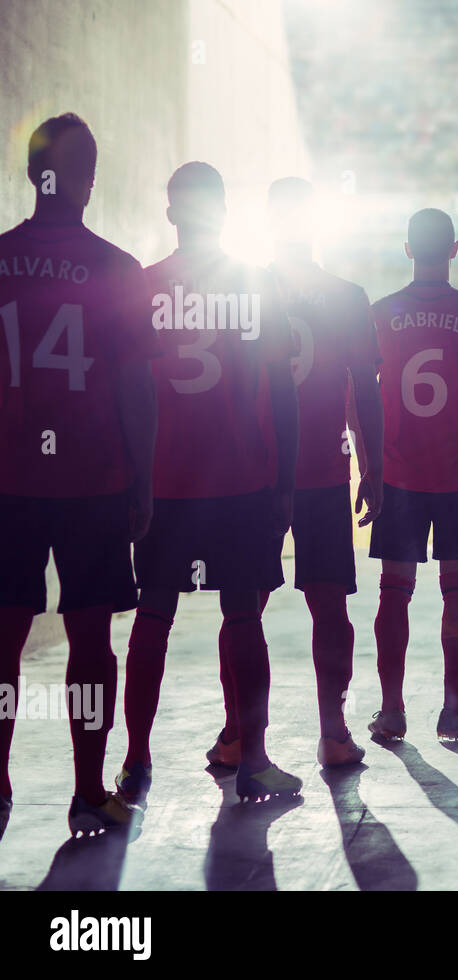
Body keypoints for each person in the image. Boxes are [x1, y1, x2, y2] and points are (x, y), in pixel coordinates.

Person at [120, 161, 302, 804]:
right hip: (241, 479)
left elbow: (128, 392)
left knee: (153, 617)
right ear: (224, 211)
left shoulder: (144, 286)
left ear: (171, 213)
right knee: (243, 617)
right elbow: (280, 388)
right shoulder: (255, 284)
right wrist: (284, 478)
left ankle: (136, 762)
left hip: (166, 481)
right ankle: (252, 759)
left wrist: (132, 479)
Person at [0, 113, 158, 836]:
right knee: (92, 641)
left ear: (36, 174)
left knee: (2, 638)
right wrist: (143, 478)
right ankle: (89, 791)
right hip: (93, 480)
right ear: (87, 181)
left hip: (8, 484)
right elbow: (135, 386)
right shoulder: (117, 270)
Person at [204, 177, 384, 769]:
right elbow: (367, 390)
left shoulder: (241, 289)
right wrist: (374, 463)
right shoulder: (347, 295)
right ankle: (333, 733)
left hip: (254, 473)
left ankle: (238, 735)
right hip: (321, 472)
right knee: (329, 606)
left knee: (243, 607)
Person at [365, 208, 458, 743]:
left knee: (393, 592)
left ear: (407, 249)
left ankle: (391, 712)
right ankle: (453, 711)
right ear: (454, 249)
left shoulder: (380, 313)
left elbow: (357, 397)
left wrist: (369, 465)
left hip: (399, 474)